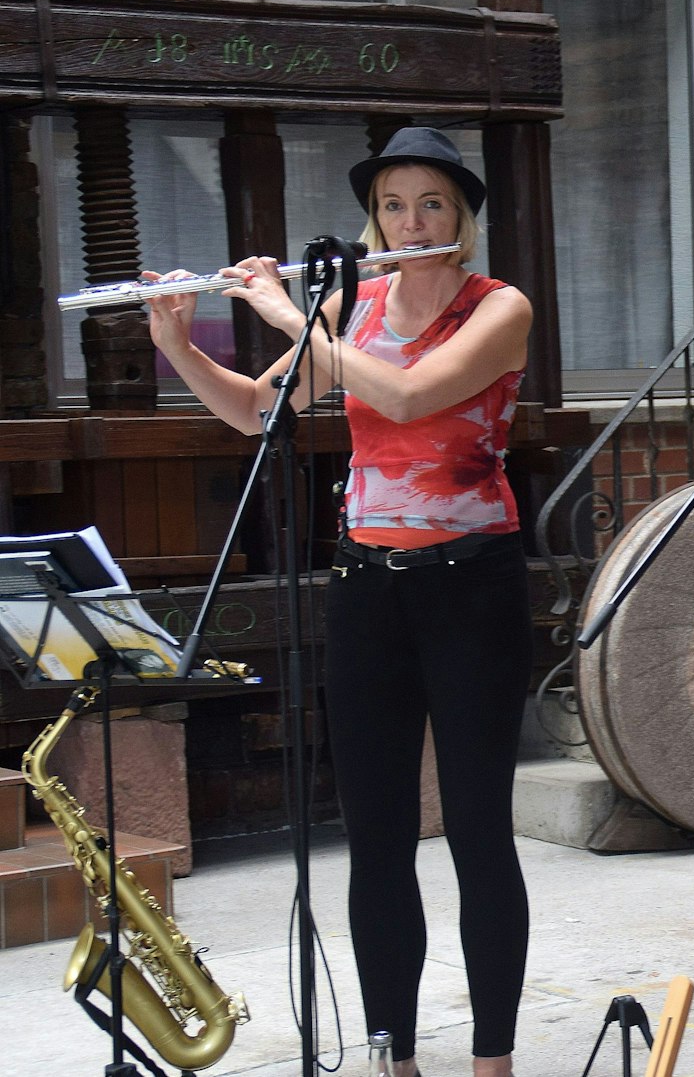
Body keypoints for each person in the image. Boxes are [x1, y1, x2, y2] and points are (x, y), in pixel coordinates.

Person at [144, 127, 533, 1077]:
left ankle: (493, 1057)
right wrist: (176, 340)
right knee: (376, 836)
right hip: (367, 589)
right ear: (375, 217)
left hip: (471, 584)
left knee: (479, 828)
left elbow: (406, 398)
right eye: (394, 205)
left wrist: (290, 314)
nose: (412, 220)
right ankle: (392, 1053)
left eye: (431, 204)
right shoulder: (353, 307)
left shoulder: (500, 308)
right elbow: (250, 412)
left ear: (462, 219)